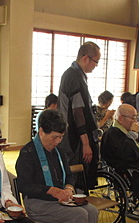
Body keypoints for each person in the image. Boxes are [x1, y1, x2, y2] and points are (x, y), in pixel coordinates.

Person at [16, 109, 99, 223]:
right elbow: (24, 186)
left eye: (60, 137)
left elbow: (69, 175)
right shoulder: (27, 153)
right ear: (40, 131)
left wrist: (68, 188)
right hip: (37, 204)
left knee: (92, 211)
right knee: (79, 215)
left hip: (60, 200)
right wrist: (51, 190)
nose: (57, 141)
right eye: (54, 137)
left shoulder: (59, 151)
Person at [58, 41, 100, 189]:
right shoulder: (73, 76)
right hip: (73, 138)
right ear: (85, 58)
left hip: (77, 136)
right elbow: (77, 112)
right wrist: (86, 143)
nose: (96, 65)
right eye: (96, 61)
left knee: (83, 174)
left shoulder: (77, 75)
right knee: (76, 175)